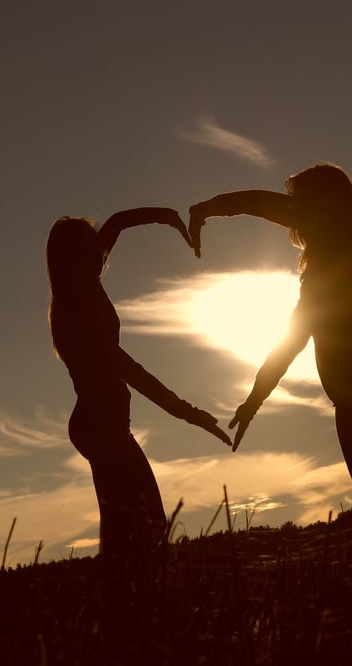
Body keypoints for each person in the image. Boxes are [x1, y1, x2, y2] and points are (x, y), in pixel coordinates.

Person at [188, 163, 352, 558]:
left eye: (300, 202)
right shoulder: (339, 253)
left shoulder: (340, 250)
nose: (291, 211)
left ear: (320, 206)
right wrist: (254, 402)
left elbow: (259, 204)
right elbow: (292, 339)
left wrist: (209, 207)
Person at [46, 210, 231, 567]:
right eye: (90, 249)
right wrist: (186, 411)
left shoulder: (85, 279)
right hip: (101, 427)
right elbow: (129, 369)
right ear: (73, 257)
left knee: (138, 524)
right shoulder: (77, 307)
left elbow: (115, 223)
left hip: (107, 425)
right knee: (137, 525)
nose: (101, 254)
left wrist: (169, 217)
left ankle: (124, 602)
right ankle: (123, 605)